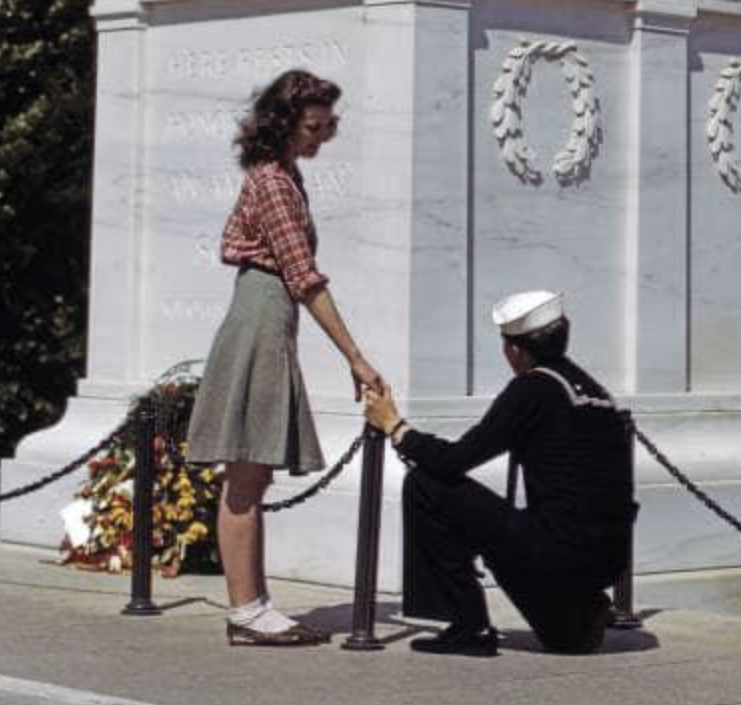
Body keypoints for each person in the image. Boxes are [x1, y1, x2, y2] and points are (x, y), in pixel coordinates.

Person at [187, 68, 389, 647]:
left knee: (252, 471)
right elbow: (304, 278)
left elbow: (258, 257)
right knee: (248, 472)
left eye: (329, 125)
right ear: (284, 123)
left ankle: (252, 606)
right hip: (262, 318)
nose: (322, 136)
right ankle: (247, 611)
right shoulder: (276, 182)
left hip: (265, 316)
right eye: (313, 126)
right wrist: (355, 357)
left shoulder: (279, 174)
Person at [363, 290, 637, 657]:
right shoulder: (596, 393)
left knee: (425, 485)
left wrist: (395, 426)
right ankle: (580, 611)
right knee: (565, 642)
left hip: (557, 555)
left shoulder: (534, 389)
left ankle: (469, 624)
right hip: (603, 563)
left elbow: (455, 460)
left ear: (515, 350)